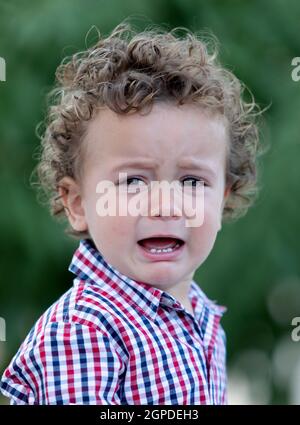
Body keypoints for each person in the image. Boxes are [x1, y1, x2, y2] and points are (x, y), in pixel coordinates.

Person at [0, 21, 262, 404]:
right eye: (133, 182)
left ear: (222, 200)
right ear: (77, 204)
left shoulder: (204, 320)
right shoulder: (84, 332)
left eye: (191, 182)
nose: (165, 205)